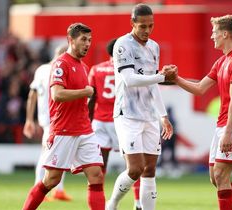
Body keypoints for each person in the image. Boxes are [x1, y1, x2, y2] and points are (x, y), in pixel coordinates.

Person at [175, 14, 232, 210]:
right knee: (215, 177)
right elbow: (200, 88)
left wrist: (228, 131)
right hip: (223, 124)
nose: (212, 36)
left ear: (225, 34)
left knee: (220, 175)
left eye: (215, 32)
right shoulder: (222, 62)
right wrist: (175, 78)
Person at [22, 23, 105, 210]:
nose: (87, 44)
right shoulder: (61, 64)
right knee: (51, 180)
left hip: (84, 129)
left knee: (96, 176)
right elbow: (58, 94)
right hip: (63, 130)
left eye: (90, 40)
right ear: (70, 40)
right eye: (83, 39)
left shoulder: (83, 67)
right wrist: (85, 92)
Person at [106, 4, 176, 210]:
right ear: (133, 24)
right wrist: (162, 76)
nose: (147, 30)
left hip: (149, 115)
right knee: (135, 169)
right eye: (142, 26)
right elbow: (129, 79)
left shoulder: (154, 47)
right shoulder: (122, 45)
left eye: (151, 26)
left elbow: (152, 84)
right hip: (127, 113)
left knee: (150, 170)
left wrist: (162, 115)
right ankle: (112, 204)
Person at [88, 38, 142, 210]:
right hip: (120, 120)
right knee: (133, 164)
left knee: (100, 165)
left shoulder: (96, 69)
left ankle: (101, 200)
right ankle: (137, 202)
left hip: (99, 122)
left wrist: (88, 121)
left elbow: (92, 97)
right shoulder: (126, 69)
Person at [23, 44, 72, 202]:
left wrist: (29, 119)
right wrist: (29, 119)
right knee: (47, 154)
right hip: (53, 120)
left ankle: (59, 190)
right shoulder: (60, 70)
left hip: (53, 119)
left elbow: (32, 95)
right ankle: (38, 187)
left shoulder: (41, 70)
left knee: (61, 154)